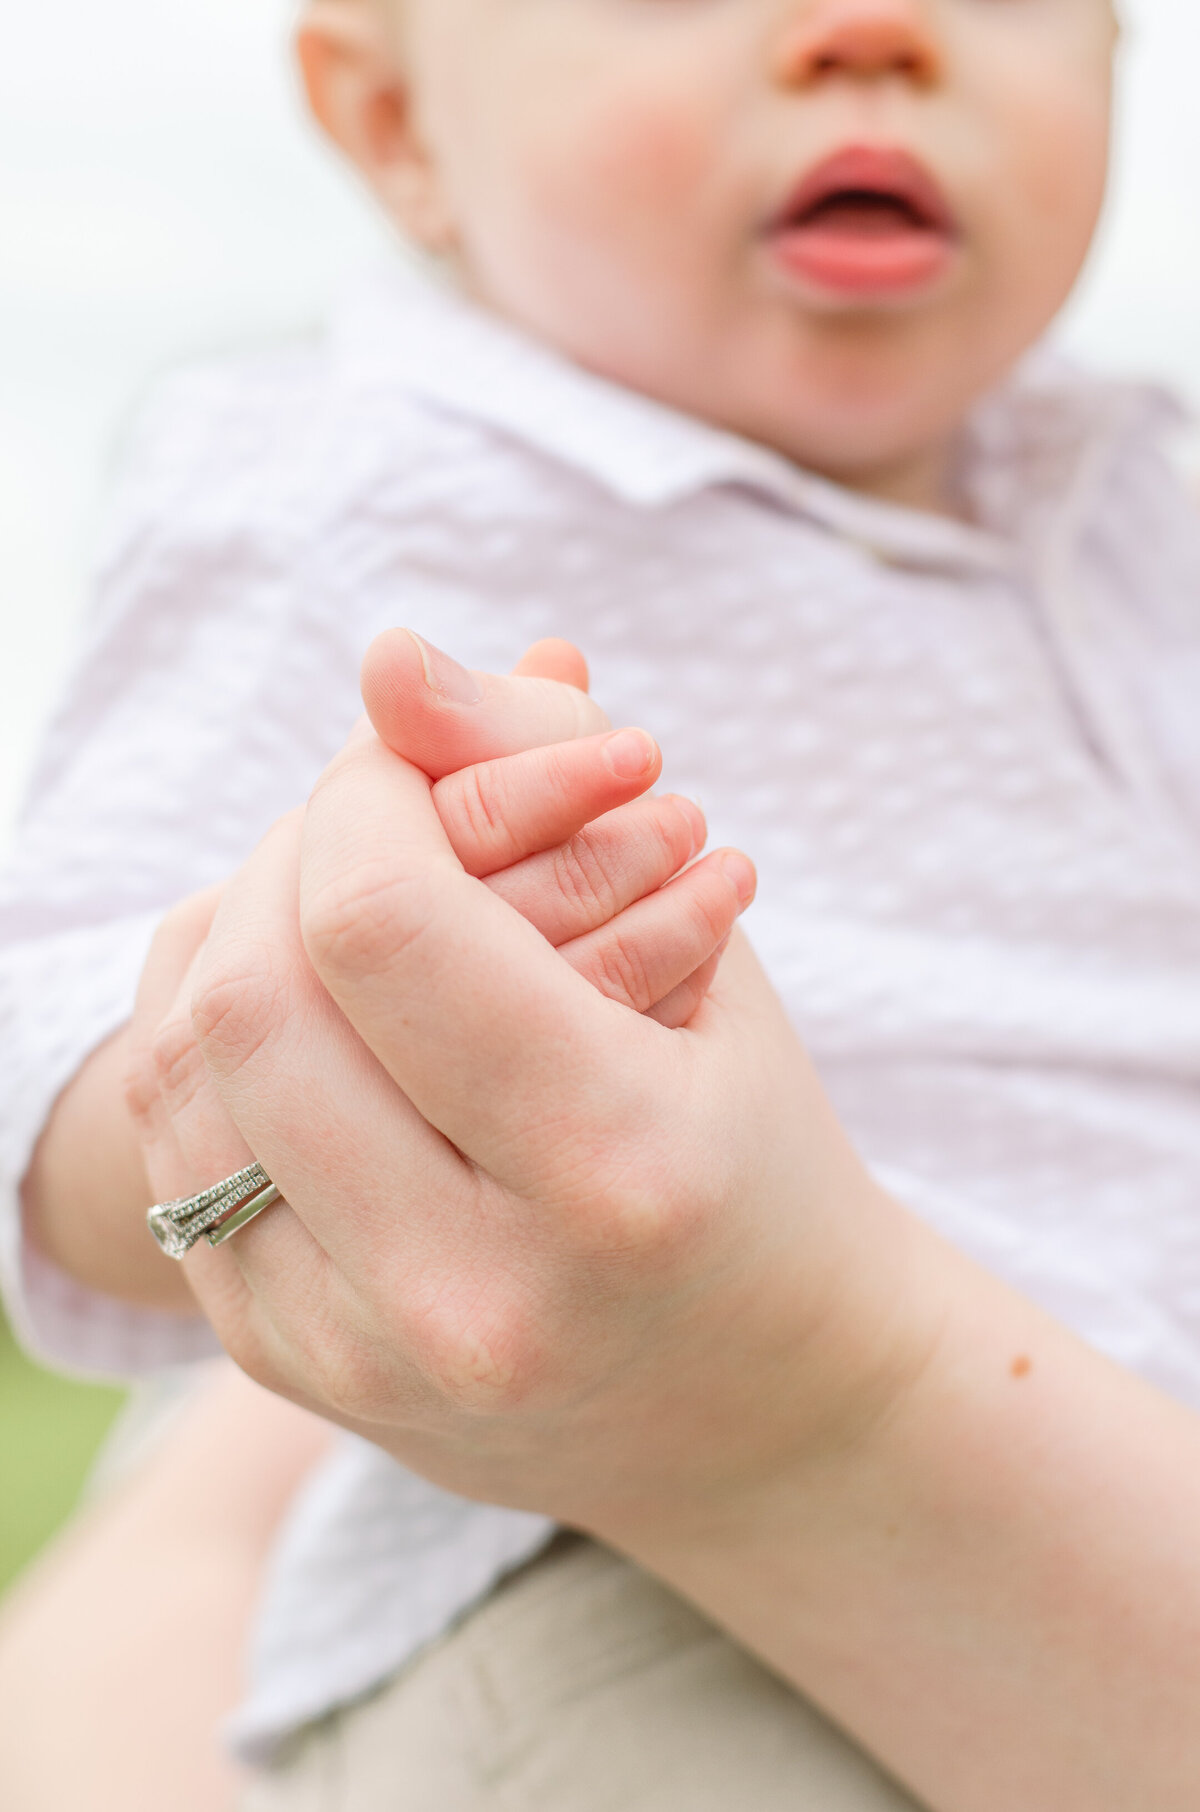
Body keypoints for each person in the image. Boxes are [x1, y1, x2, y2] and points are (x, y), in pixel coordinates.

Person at [2, 0, 1200, 1805]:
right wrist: (287, 1064)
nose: (867, 33)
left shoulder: (1143, 506)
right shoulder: (352, 478)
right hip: (631, 1592)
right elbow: (55, 1015)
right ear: (396, 120)